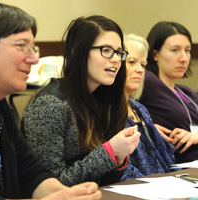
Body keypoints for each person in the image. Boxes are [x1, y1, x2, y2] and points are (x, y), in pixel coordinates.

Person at [21, 15, 141, 187]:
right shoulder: (50, 105)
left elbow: (104, 182)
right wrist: (110, 152)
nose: (115, 59)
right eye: (106, 50)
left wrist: (119, 158)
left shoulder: (103, 99)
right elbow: (50, 185)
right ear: (77, 52)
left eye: (119, 52)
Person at [0, 3, 101, 200]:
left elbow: (32, 173)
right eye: (21, 46)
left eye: (33, 48)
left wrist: (67, 194)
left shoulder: (2, 107)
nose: (34, 59)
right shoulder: (51, 102)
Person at [120, 33, 177, 181]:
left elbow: (166, 156)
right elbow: (122, 169)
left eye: (143, 65)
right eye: (132, 62)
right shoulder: (107, 112)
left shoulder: (139, 108)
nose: (140, 69)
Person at [139, 21, 198, 163]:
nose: (184, 58)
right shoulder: (147, 81)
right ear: (155, 54)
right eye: (175, 50)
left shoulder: (185, 91)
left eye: (188, 50)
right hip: (177, 167)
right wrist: (142, 128)